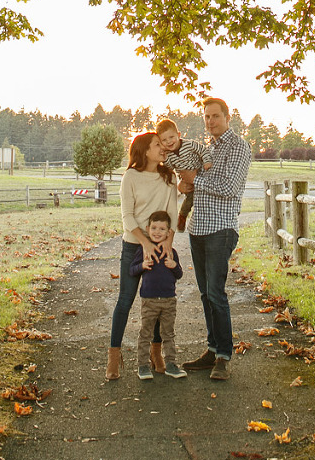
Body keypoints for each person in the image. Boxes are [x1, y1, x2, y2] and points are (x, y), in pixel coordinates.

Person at [178, 98, 251, 381]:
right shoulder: (207, 148)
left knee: (217, 294)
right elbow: (190, 181)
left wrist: (195, 180)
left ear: (227, 117)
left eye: (215, 116)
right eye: (206, 117)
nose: (210, 122)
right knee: (206, 294)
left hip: (221, 230)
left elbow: (230, 188)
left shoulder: (238, 147)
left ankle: (224, 356)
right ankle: (211, 349)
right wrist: (185, 183)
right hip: (198, 230)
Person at [106, 131, 179, 380]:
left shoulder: (169, 177)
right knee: (125, 300)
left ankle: (156, 354)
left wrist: (166, 244)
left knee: (159, 300)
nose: (163, 148)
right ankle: (114, 358)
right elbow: (127, 216)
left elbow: (172, 214)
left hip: (160, 245)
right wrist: (144, 242)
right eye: (157, 145)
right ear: (145, 150)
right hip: (133, 245)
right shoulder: (131, 177)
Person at [129, 211, 187, 380]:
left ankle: (171, 364)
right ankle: (143, 366)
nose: (157, 232)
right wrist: (142, 265)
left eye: (162, 229)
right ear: (147, 229)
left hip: (169, 300)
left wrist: (173, 265)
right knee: (145, 334)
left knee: (168, 334)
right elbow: (132, 270)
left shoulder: (171, 251)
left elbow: (179, 274)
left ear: (169, 232)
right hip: (149, 300)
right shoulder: (144, 250)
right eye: (154, 228)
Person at [155, 117, 211, 231]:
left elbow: (203, 150)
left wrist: (207, 161)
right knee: (189, 199)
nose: (169, 142)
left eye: (171, 137)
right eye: (164, 140)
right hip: (187, 181)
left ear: (178, 134)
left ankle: (204, 220)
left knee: (203, 200)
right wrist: (165, 158)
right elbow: (170, 168)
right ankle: (182, 217)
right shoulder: (169, 155)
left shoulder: (189, 145)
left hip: (201, 175)